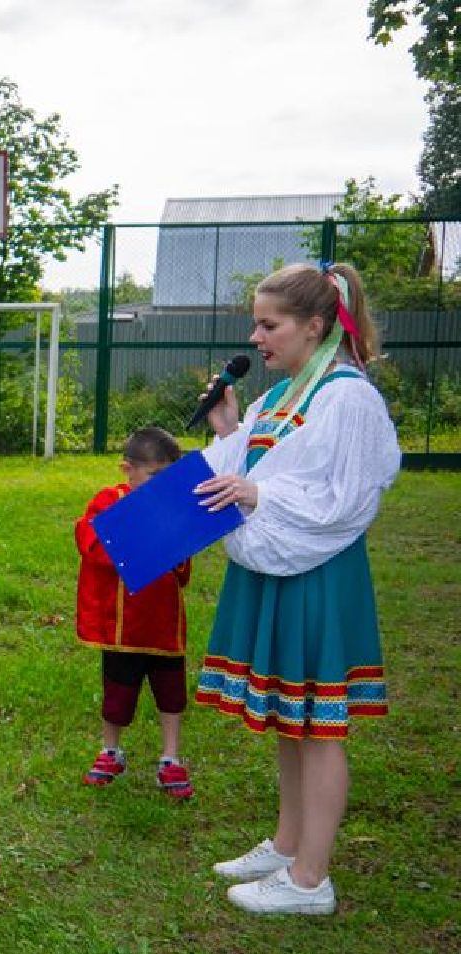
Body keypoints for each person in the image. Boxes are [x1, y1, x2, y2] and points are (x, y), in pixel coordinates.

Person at [194, 262, 400, 916]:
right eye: (255, 323)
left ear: (314, 325)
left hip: (317, 573)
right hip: (276, 566)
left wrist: (258, 493)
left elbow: (345, 499)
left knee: (319, 725)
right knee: (291, 716)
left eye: (267, 324)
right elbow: (251, 468)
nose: (255, 337)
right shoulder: (279, 395)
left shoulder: (346, 396)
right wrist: (228, 430)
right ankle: (287, 846)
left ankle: (310, 880)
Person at [73, 426, 195, 798]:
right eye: (155, 476)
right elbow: (90, 543)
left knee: (171, 693)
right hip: (122, 629)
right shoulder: (108, 501)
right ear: (128, 469)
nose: (162, 485)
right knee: (118, 692)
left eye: (168, 477)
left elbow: (182, 569)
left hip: (163, 624)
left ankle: (170, 758)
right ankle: (111, 750)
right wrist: (136, 537)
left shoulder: (173, 509)